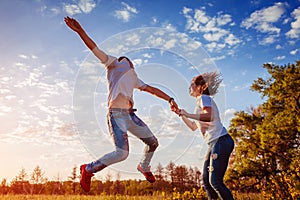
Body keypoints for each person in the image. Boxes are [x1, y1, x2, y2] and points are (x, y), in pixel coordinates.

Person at [64, 16, 179, 192]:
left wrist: (170, 99)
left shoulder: (134, 77)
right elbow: (95, 49)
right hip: (116, 115)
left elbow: (152, 90)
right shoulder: (114, 64)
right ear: (123, 60)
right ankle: (88, 169)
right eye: (129, 61)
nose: (132, 63)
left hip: (130, 116)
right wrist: (80, 31)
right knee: (122, 153)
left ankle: (144, 166)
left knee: (153, 143)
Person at [175, 72, 234, 200]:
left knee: (215, 182)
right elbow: (193, 126)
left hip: (220, 140)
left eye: (192, 84)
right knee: (207, 181)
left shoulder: (204, 98)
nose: (189, 87)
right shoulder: (199, 103)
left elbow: (209, 116)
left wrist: (188, 114)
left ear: (200, 87)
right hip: (214, 143)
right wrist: (181, 114)